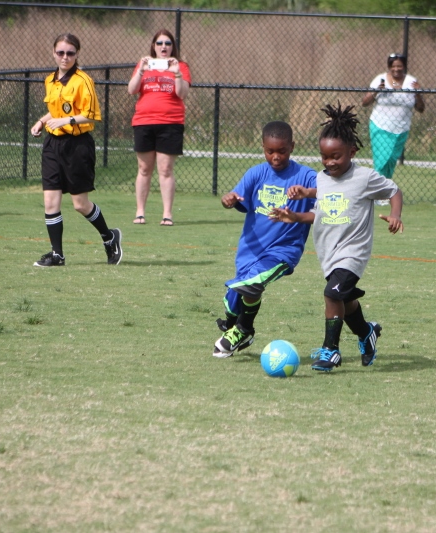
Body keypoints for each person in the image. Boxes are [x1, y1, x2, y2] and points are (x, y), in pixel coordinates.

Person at [270, 103, 404, 372]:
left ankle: (331, 350)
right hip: (328, 253)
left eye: (336, 156)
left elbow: (394, 191)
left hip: (353, 252)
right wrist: (294, 216)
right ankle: (367, 332)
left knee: (331, 294)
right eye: (324, 156)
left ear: (352, 152)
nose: (329, 162)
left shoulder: (364, 178)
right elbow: (319, 213)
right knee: (343, 299)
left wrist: (395, 214)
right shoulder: (322, 179)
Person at [212, 121, 317, 358]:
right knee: (234, 301)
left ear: (292, 147)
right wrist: (228, 200)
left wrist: (307, 194)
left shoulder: (306, 176)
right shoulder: (256, 173)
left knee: (252, 284)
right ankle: (237, 327)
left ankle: (243, 329)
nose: (276, 157)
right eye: (270, 151)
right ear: (263, 147)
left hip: (283, 251)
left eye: (282, 151)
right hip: (250, 250)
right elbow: (236, 197)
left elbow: (330, 192)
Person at [29, 33, 122, 267]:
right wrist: (41, 121)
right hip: (53, 145)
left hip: (77, 145)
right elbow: (56, 110)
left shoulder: (83, 80)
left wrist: (65, 121)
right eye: (60, 52)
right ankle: (57, 255)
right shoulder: (50, 80)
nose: (65, 57)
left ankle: (109, 237)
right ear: (53, 53)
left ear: (77, 54)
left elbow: (91, 114)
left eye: (70, 53)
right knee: (50, 201)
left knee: (80, 204)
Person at [128, 29, 191, 226]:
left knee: (165, 169)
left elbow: (182, 94)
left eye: (168, 43)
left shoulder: (181, 66)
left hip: (170, 123)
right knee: (144, 168)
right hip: (144, 122)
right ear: (154, 46)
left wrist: (177, 73)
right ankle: (140, 212)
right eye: (160, 43)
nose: (164, 47)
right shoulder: (144, 65)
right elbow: (131, 90)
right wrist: (141, 70)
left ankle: (167, 214)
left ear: (173, 47)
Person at [361, 53, 425, 184]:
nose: (396, 69)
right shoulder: (380, 79)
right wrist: (376, 91)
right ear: (389, 67)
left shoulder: (411, 82)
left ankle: (384, 186)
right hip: (380, 126)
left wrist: (418, 93)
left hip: (401, 129)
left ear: (404, 66)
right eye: (393, 66)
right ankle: (377, 187)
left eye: (399, 66)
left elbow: (421, 108)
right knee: (382, 160)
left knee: (390, 160)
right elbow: (365, 102)